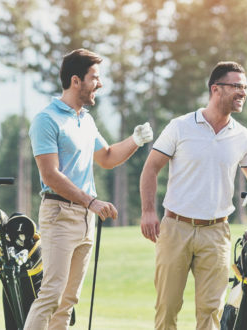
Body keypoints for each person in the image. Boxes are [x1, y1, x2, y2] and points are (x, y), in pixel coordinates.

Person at [25, 48, 153, 329]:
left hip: (85, 219)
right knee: (51, 295)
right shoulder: (47, 119)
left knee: (69, 300)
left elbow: (106, 157)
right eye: (95, 77)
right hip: (59, 213)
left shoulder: (86, 119)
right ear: (76, 80)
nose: (100, 84)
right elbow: (50, 174)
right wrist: (91, 201)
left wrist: (135, 140)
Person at [139, 61, 247, 330]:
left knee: (212, 312)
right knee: (167, 307)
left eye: (245, 87)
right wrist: (148, 211)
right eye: (236, 86)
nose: (243, 92)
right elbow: (151, 168)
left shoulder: (242, 136)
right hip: (175, 228)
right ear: (215, 89)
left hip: (216, 232)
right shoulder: (180, 126)